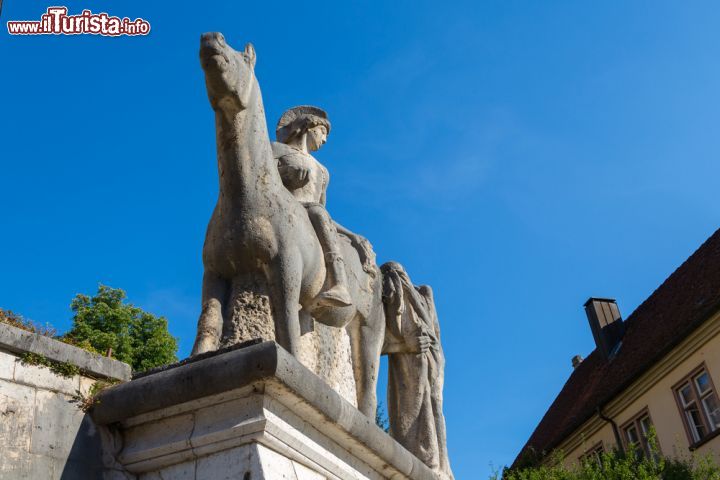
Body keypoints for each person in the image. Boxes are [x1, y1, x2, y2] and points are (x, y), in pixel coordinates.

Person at [271, 105, 355, 307]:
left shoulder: (323, 171)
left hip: (313, 214)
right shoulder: (276, 149)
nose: (324, 140)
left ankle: (339, 285)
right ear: (309, 126)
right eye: (322, 132)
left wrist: (352, 236)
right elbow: (261, 180)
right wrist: (284, 175)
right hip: (280, 209)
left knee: (318, 212)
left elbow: (322, 209)